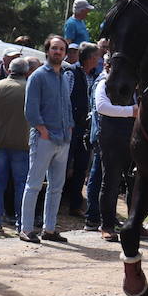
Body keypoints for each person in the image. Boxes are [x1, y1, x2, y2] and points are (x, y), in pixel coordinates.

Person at [20, 35, 74, 243]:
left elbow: (67, 107)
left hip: (63, 139)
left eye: (61, 49)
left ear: (65, 53)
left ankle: (49, 229)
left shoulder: (64, 76)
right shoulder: (38, 76)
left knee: (56, 187)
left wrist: (69, 129)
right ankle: (26, 229)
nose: (58, 52)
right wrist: (42, 131)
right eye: (54, 48)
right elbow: (30, 110)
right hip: (44, 138)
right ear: (47, 51)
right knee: (34, 185)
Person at [94, 56, 139, 241]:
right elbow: (102, 107)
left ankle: (135, 224)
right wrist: (131, 112)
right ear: (108, 66)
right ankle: (107, 226)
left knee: (134, 184)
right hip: (111, 140)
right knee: (110, 183)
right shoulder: (102, 83)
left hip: (132, 140)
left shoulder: (132, 85)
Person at [0, 56, 32, 232]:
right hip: (21, 143)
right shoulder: (29, 89)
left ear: (9, 69)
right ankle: (21, 223)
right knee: (21, 184)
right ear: (26, 71)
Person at [62, 43, 100, 218]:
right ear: (90, 58)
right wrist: (68, 125)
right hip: (71, 128)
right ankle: (57, 204)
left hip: (86, 130)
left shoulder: (95, 76)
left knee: (81, 168)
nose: (99, 59)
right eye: (97, 56)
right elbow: (65, 101)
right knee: (62, 166)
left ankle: (75, 205)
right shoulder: (70, 73)